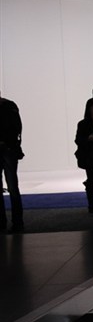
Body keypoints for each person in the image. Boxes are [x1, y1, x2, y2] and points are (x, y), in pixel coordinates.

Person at [0, 91, 24, 232]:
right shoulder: (10, 106)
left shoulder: (9, 106)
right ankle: (17, 222)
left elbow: (17, 128)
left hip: (9, 149)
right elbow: (18, 128)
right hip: (10, 149)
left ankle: (8, 222)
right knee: (13, 186)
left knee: (13, 186)